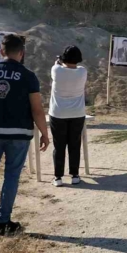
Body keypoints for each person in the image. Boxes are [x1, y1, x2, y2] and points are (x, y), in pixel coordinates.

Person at [0, 34, 49, 236]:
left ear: (1, 51)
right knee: (12, 176)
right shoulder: (29, 76)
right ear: (22, 53)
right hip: (19, 133)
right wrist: (45, 133)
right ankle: (2, 222)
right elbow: (37, 110)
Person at [49, 46, 88, 187]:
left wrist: (58, 61)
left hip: (58, 113)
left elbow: (57, 66)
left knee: (58, 146)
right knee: (74, 145)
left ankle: (58, 177)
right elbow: (75, 67)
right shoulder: (82, 71)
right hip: (77, 113)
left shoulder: (56, 70)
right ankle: (75, 175)